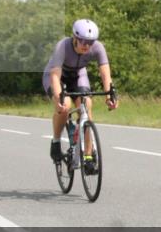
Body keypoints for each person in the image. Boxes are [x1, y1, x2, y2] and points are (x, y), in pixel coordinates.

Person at [42, 19, 117, 172]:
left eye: (90, 42)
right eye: (83, 41)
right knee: (65, 105)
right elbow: (55, 76)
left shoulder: (98, 47)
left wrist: (110, 96)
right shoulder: (63, 46)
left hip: (78, 75)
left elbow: (105, 74)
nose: (86, 46)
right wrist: (58, 98)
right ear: (75, 38)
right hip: (56, 76)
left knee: (87, 106)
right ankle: (56, 141)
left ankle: (88, 156)